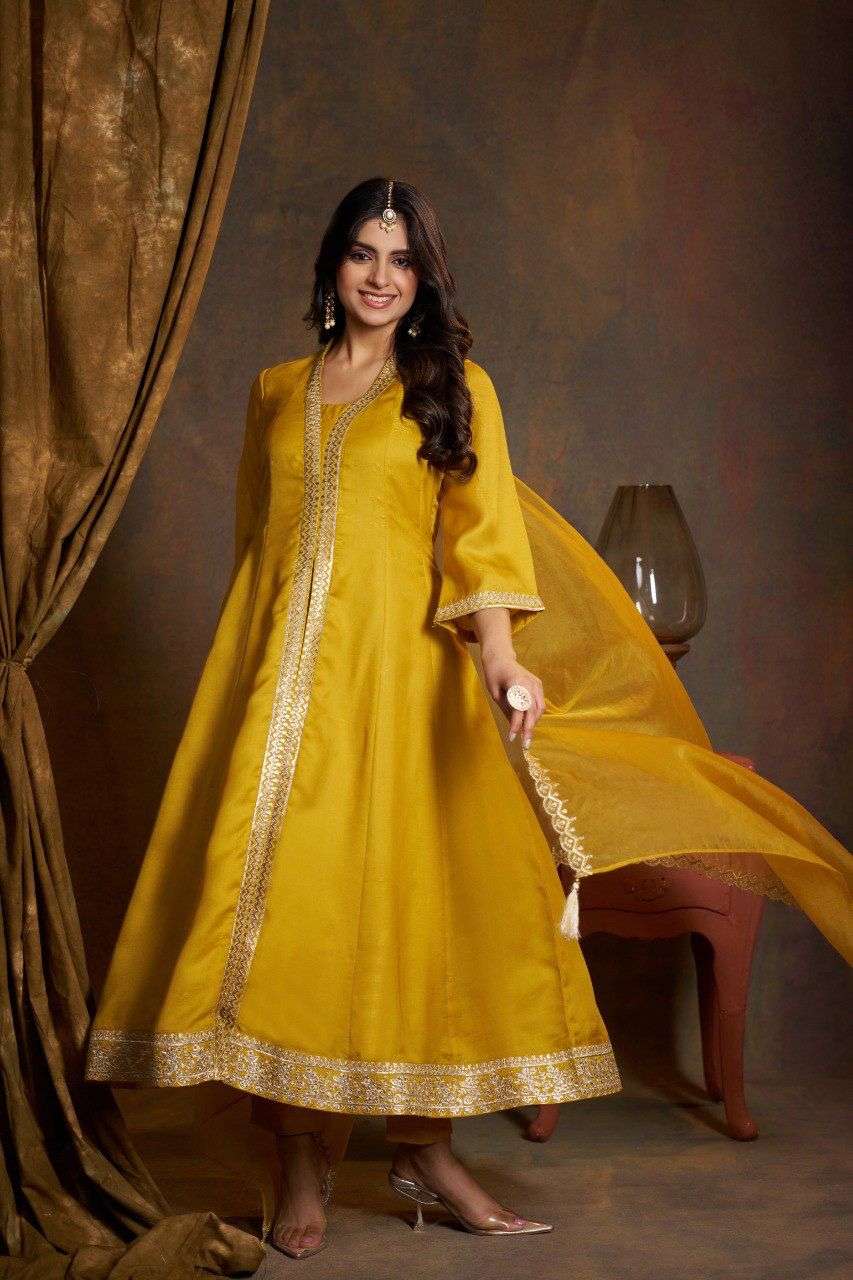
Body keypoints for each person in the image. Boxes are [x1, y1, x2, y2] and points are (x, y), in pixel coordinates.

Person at [84, 177, 622, 1258]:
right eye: (363, 254)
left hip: (405, 687)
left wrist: (503, 659)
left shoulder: (451, 387)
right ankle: (298, 1155)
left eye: (401, 260)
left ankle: (425, 1151)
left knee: (420, 909)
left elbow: (481, 536)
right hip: (280, 692)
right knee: (296, 911)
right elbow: (258, 542)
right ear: (333, 266)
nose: (381, 277)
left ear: (423, 280)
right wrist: (252, 673)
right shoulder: (275, 391)